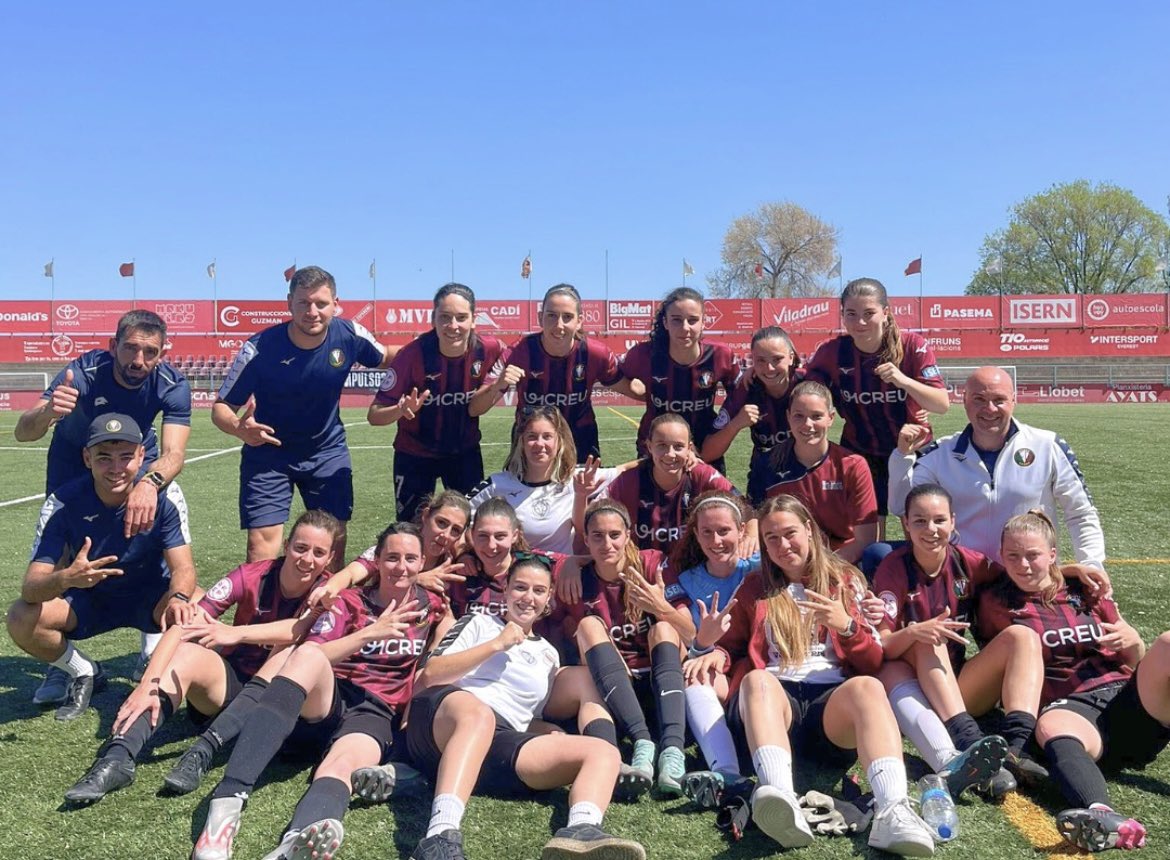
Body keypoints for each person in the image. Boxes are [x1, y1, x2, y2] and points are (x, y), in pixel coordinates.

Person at [685, 495, 938, 856]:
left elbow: (871, 662)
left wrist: (848, 626)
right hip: (774, 706)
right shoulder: (756, 588)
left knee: (867, 686)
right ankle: (780, 799)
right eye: (771, 538)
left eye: (790, 533)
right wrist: (709, 648)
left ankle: (893, 809)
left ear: (809, 530)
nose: (783, 545)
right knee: (757, 680)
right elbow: (733, 648)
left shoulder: (846, 581)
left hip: (829, 711)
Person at [191, 522, 446, 860]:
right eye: (392, 557)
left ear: (423, 561)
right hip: (331, 699)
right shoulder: (350, 601)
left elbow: (446, 637)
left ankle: (295, 843)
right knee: (308, 654)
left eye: (411, 558)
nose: (401, 567)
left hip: (375, 712)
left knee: (341, 767)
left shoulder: (433, 605)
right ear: (377, 560)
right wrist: (371, 633)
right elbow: (314, 652)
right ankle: (225, 809)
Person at [63, 510, 342, 804]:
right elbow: (185, 624)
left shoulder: (330, 591)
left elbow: (296, 631)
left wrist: (237, 633)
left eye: (318, 552)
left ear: (330, 558)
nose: (307, 559)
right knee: (186, 652)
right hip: (232, 690)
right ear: (286, 546)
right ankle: (117, 758)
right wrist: (149, 682)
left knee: (288, 650)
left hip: (286, 710)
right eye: (300, 548)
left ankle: (203, 751)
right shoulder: (251, 576)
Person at [405, 555, 647, 860]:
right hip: (445, 722)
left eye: (537, 591)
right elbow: (432, 674)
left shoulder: (548, 655)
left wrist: (552, 733)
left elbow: (527, 717)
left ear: (548, 599)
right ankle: (439, 836)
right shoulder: (479, 622)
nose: (527, 598)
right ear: (506, 591)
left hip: (499, 741)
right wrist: (497, 643)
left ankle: (582, 831)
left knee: (604, 752)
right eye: (520, 588)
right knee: (479, 716)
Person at [14, 309, 193, 698]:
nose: (139, 360)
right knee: (62, 558)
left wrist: (150, 482)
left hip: (134, 459)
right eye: (130, 349)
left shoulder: (171, 384)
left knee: (150, 538)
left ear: (162, 354)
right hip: (71, 459)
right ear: (113, 346)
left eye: (150, 351)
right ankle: (67, 667)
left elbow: (174, 454)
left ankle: (152, 642)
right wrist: (47, 411)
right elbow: (23, 433)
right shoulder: (83, 373)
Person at [977, 511, 1170, 852]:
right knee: (1051, 725)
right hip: (1074, 712)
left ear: (1053, 554)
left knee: (1167, 643)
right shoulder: (995, 602)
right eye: (1013, 556)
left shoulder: (1085, 586)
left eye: (1033, 555)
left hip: (1126, 698)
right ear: (1001, 557)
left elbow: (1132, 658)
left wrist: (1134, 640)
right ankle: (1102, 815)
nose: (1023, 565)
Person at [6, 414, 198, 721]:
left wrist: (179, 599)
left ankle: (161, 669)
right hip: (88, 600)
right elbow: (31, 587)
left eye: (126, 457)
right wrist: (67, 578)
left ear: (141, 456)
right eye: (104, 458)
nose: (116, 468)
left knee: (196, 605)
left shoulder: (166, 495)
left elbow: (184, 569)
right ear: (87, 458)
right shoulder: (63, 503)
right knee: (21, 616)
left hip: (149, 597)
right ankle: (85, 671)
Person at [214, 265, 393, 564]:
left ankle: (327, 609)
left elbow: (388, 357)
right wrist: (239, 428)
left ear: (336, 305)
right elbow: (221, 407)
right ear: (289, 303)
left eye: (321, 303)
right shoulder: (258, 349)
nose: (312, 311)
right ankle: (267, 610)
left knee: (332, 542)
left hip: (326, 451)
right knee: (261, 549)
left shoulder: (350, 334)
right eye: (303, 303)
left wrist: (434, 354)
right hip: (268, 454)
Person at [872, 484, 1015, 799]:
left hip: (950, 680)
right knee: (927, 639)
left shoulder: (969, 562)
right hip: (902, 671)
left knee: (1020, 637)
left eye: (939, 520)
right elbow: (882, 645)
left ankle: (1019, 745)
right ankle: (967, 744)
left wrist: (1064, 573)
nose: (931, 529)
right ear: (905, 525)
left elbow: (1019, 580)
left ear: (953, 521)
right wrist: (913, 632)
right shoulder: (893, 567)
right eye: (920, 521)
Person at [889, 365, 1106, 568]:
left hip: (1027, 577)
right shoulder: (939, 454)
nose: (989, 409)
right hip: (965, 578)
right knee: (878, 554)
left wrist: (1092, 565)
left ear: (1014, 400)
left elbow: (1080, 513)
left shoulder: (1048, 446)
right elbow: (900, 506)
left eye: (999, 400)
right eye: (979, 399)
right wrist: (902, 456)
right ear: (964, 401)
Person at [560, 499, 695, 797]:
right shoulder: (576, 579)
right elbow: (528, 557)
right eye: (597, 536)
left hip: (663, 681)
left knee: (663, 627)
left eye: (614, 535)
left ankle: (673, 750)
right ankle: (643, 743)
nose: (607, 543)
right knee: (588, 625)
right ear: (586, 539)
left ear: (628, 535)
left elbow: (690, 633)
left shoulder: (652, 564)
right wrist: (570, 561)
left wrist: (660, 607)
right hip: (616, 689)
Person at [805, 277, 948, 525]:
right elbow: (804, 389)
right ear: (842, 316)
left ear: (885, 313)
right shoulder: (833, 352)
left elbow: (941, 404)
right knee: (868, 535)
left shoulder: (912, 345)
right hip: (860, 452)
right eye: (851, 314)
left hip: (914, 449)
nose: (860, 322)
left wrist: (903, 381)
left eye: (868, 313)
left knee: (918, 527)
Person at [368, 283, 506, 523]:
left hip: (464, 452)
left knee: (471, 523)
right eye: (445, 317)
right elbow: (375, 414)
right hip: (415, 455)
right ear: (433, 319)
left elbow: (511, 353)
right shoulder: (412, 355)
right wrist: (400, 410)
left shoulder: (489, 349)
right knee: (410, 527)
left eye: (461, 318)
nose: (453, 326)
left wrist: (495, 384)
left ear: (474, 320)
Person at [473, 283, 644, 462]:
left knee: (584, 489)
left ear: (579, 321)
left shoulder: (596, 354)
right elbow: (475, 408)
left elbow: (631, 388)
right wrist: (497, 385)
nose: (559, 325)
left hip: (581, 438)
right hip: (531, 440)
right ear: (540, 318)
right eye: (551, 316)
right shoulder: (518, 353)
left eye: (567, 317)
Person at [662, 492, 760, 795]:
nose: (716, 540)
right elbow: (695, 640)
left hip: (761, 665)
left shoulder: (761, 569)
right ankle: (726, 773)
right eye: (707, 532)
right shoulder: (688, 580)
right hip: (721, 669)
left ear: (742, 531)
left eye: (724, 531)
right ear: (696, 534)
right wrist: (709, 650)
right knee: (694, 675)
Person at [468, 406, 628, 555]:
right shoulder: (497, 484)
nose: (539, 444)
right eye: (532, 437)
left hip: (562, 575)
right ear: (522, 442)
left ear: (559, 442)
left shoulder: (577, 478)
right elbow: (459, 514)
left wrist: (652, 455)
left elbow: (624, 470)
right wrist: (467, 555)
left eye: (547, 437)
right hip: (516, 579)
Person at [618, 287, 741, 474]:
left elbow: (739, 393)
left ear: (703, 323)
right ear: (665, 322)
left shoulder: (720, 355)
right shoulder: (644, 354)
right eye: (676, 320)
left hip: (705, 448)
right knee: (654, 503)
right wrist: (644, 394)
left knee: (711, 503)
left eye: (692, 320)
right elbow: (617, 378)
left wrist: (722, 425)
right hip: (656, 447)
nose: (685, 328)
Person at [592, 413, 747, 557]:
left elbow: (744, 505)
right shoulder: (630, 479)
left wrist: (751, 534)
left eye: (678, 446)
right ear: (649, 446)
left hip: (691, 571)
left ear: (689, 449)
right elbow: (592, 515)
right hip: (643, 569)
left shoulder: (700, 474)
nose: (670, 454)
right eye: (662, 445)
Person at [761, 380, 879, 567]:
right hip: (786, 561)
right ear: (788, 417)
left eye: (816, 416)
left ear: (831, 417)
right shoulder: (768, 463)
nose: (808, 425)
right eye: (799, 416)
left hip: (840, 562)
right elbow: (757, 525)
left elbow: (865, 540)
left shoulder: (853, 465)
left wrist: (819, 567)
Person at [701, 326, 803, 505]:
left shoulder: (809, 382)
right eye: (760, 360)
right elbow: (708, 452)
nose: (769, 368)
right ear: (752, 362)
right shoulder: (746, 389)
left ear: (791, 357)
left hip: (806, 472)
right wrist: (736, 424)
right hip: (765, 474)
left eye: (777, 359)